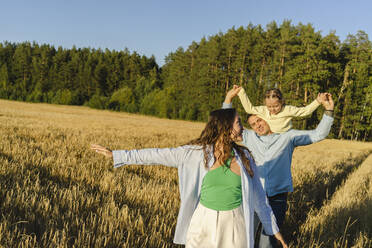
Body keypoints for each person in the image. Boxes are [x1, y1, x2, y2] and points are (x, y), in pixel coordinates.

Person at [91, 108, 288, 248]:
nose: (244, 127)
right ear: (226, 126)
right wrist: (117, 155)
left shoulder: (245, 159)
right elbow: (156, 154)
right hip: (203, 222)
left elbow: (260, 199)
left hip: (235, 224)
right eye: (239, 123)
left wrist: (274, 231)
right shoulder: (194, 153)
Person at [223, 88, 334, 248]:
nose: (257, 126)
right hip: (253, 196)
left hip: (277, 199)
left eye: (259, 121)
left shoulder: (288, 137)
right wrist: (228, 99)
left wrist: (329, 110)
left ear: (267, 118)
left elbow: (318, 134)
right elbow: (227, 127)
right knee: (244, 239)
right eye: (253, 125)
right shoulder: (249, 137)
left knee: (266, 243)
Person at [234, 85, 325, 133]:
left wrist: (317, 101)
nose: (272, 109)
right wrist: (241, 92)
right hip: (269, 137)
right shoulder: (263, 110)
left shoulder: (287, 110)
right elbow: (249, 109)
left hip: (284, 137)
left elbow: (304, 111)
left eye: (276, 106)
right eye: (269, 106)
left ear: (281, 102)